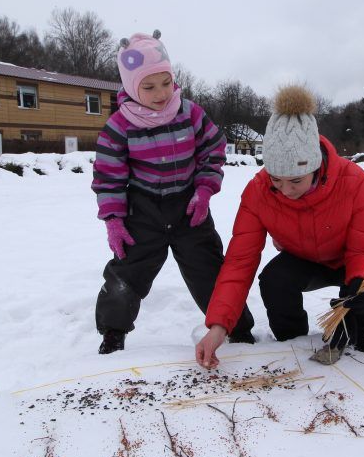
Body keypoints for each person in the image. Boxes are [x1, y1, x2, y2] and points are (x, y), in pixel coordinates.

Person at [195, 85, 364, 369]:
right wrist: (218, 327)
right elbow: (240, 261)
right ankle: (293, 343)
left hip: (351, 257)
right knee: (274, 280)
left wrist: (360, 283)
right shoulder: (258, 192)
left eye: (296, 181)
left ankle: (357, 343)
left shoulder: (355, 182)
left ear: (315, 166)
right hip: (304, 257)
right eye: (276, 178)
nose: (285, 190)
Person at [92, 30, 254, 354]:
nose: (160, 93)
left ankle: (237, 328)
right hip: (144, 210)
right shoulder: (119, 126)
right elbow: (109, 175)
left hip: (188, 206)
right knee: (128, 270)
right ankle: (113, 332)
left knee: (208, 268)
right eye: (148, 87)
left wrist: (205, 190)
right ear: (131, 86)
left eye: (166, 82)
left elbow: (213, 150)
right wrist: (114, 219)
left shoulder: (190, 113)